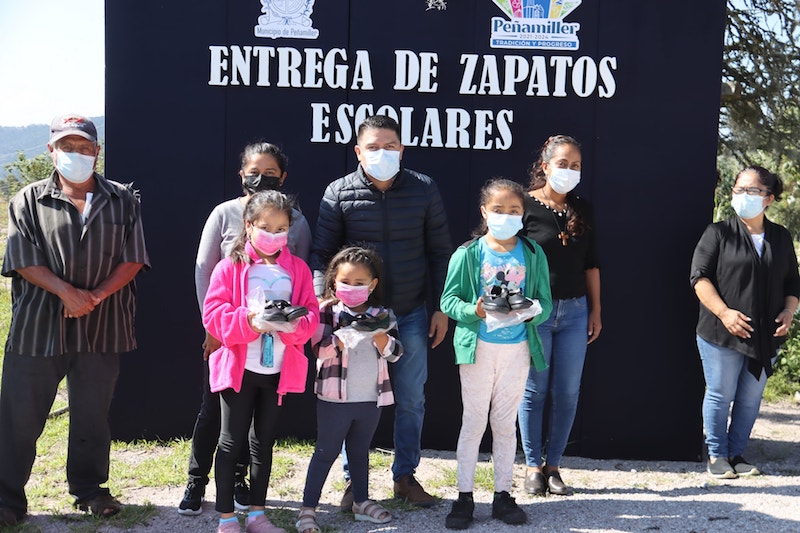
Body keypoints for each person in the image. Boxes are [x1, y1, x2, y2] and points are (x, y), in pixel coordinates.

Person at [0, 114, 149, 527]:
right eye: (67, 146)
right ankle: (7, 497)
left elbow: (133, 258)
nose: (76, 154)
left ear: (97, 152)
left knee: (92, 414)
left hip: (102, 326)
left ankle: (89, 490)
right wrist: (67, 292)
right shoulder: (28, 200)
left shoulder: (122, 199)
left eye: (85, 147)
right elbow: (21, 259)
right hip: (38, 326)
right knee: (19, 415)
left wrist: (94, 297)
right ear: (51, 150)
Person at [309, 114, 452, 507]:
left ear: (402, 149)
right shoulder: (338, 192)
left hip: (409, 312)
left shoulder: (423, 189)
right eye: (373, 147)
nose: (382, 153)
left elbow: (441, 252)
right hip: (355, 318)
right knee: (354, 401)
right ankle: (356, 483)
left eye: (390, 146)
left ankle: (405, 477)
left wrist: (439, 307)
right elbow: (322, 253)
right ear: (358, 151)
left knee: (411, 398)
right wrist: (325, 298)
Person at [180, 142, 312, 515]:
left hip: (275, 350)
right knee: (216, 414)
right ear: (242, 175)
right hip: (228, 338)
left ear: (282, 179)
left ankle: (240, 484)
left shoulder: (297, 221)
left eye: (270, 173)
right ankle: (197, 480)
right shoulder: (224, 213)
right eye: (254, 171)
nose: (261, 178)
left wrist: (290, 323)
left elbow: (298, 276)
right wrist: (215, 329)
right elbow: (205, 269)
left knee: (255, 428)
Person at [203, 190, 319, 533]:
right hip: (241, 369)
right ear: (249, 225)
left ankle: (257, 514)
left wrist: (296, 326)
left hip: (278, 370)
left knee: (263, 443)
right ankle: (226, 517)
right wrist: (249, 322)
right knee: (229, 442)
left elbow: (311, 313)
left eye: (281, 228)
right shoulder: (230, 266)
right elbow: (213, 315)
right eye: (266, 227)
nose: (273, 235)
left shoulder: (296, 269)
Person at [440, 178, 552, 529]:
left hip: (517, 348)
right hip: (478, 349)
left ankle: (503, 494)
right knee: (473, 423)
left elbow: (546, 303)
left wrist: (532, 310)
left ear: (524, 214)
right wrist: (474, 310)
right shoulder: (468, 253)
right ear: (484, 212)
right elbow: (448, 301)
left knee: (505, 424)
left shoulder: (533, 253)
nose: (506, 216)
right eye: (499, 210)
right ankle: (464, 497)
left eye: (514, 210)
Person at [690, 166, 799, 479]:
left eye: (750, 191)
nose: (741, 196)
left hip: (766, 336)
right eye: (738, 189)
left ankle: (737, 454)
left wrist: (789, 312)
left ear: (768, 199)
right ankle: (716, 455)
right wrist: (725, 313)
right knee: (720, 393)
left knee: (750, 398)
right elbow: (699, 278)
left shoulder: (780, 237)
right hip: (720, 333)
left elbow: (793, 282)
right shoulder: (718, 233)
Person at [517, 135, 602, 496]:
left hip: (575, 312)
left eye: (576, 165)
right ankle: (533, 467)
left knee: (567, 393)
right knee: (533, 392)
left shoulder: (583, 209)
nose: (569, 171)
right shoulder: (523, 205)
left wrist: (596, 309)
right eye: (563, 163)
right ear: (546, 165)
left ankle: (554, 467)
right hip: (535, 313)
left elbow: (591, 264)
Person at [296, 246, 402, 533]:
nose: (351, 288)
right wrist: (342, 338)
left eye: (359, 283)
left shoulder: (383, 314)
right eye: (345, 282)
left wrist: (381, 338)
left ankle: (360, 501)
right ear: (333, 282)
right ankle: (308, 509)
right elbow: (318, 350)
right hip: (334, 398)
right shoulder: (326, 312)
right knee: (326, 451)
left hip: (371, 397)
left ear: (373, 284)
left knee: (359, 450)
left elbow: (395, 353)